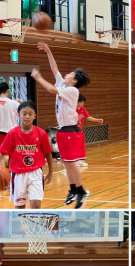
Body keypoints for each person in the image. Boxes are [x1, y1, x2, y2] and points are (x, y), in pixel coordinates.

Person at [32, 42, 91, 209]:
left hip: (71, 131)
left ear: (75, 80)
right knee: (66, 162)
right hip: (64, 131)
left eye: (70, 73)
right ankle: (73, 189)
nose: (66, 74)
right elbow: (54, 68)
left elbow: (52, 90)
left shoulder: (72, 91)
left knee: (71, 163)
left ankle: (81, 191)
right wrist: (48, 50)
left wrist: (38, 78)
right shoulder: (63, 85)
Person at [0, 101, 53, 209]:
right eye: (24, 113)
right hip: (18, 175)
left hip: (36, 173)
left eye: (30, 114)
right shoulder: (12, 134)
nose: (27, 116)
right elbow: (1, 152)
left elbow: (48, 153)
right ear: (18, 115)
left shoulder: (41, 133)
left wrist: (51, 172)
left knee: (36, 205)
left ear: (34, 116)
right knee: (20, 207)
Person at [76, 94, 104, 167]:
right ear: (78, 101)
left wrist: (97, 120)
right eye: (82, 102)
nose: (83, 104)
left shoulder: (83, 109)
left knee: (81, 146)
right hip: (72, 131)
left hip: (80, 131)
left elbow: (88, 117)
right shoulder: (71, 109)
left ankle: (80, 161)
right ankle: (73, 161)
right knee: (74, 146)